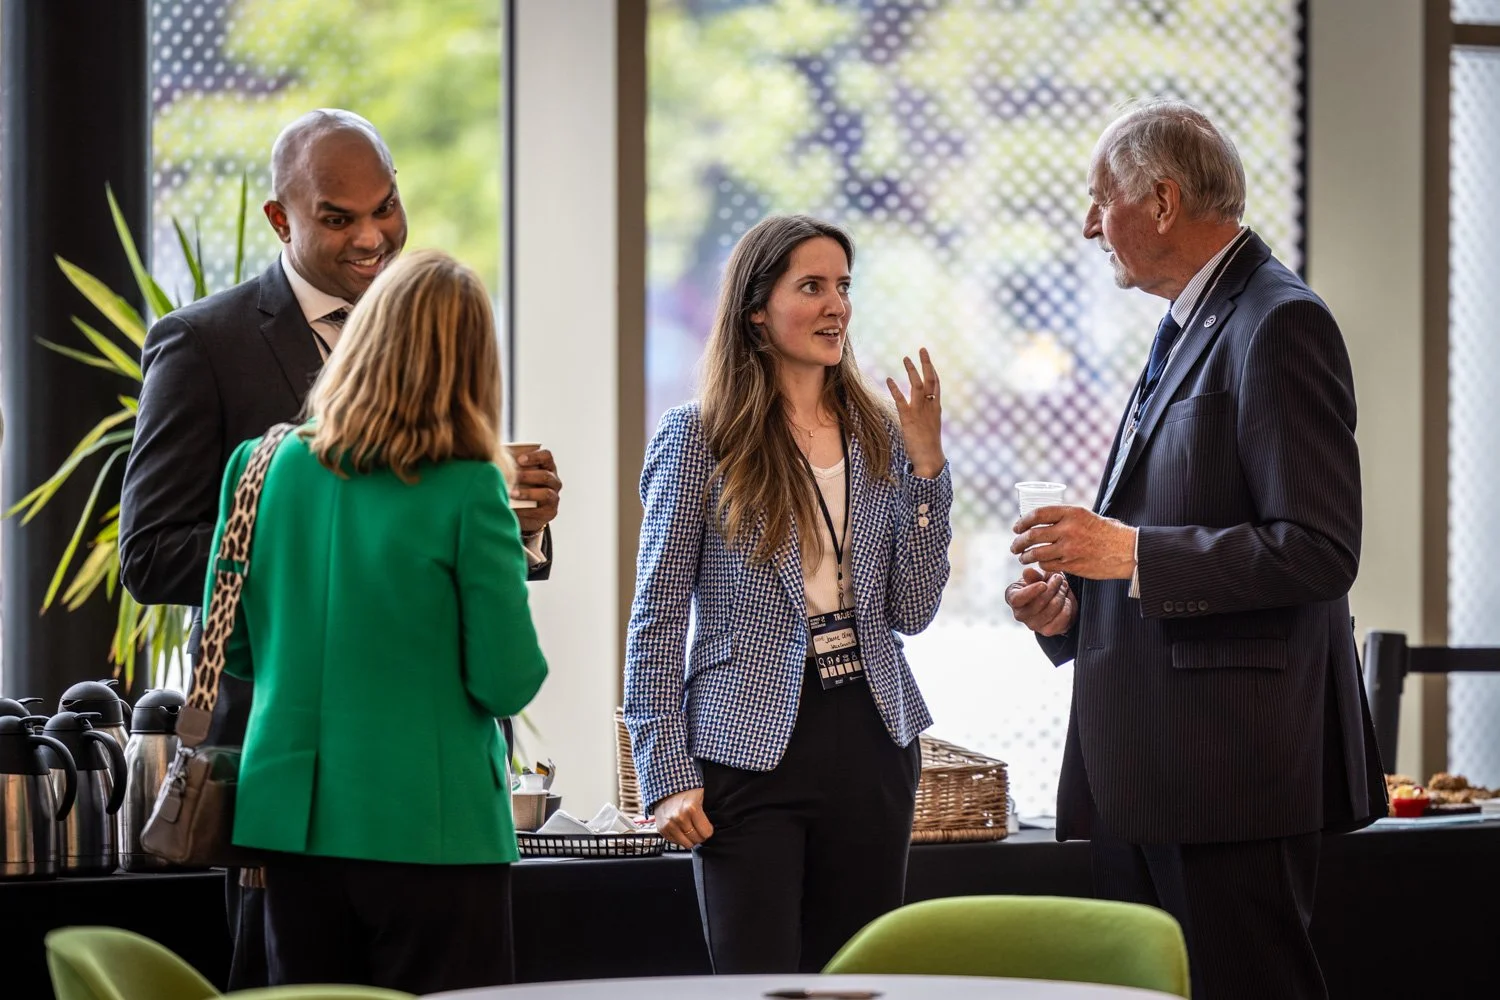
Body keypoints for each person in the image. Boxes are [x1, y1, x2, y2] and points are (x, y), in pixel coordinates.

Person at [119, 109, 562, 989]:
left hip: (294, 818)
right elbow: (149, 552)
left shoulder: (266, 463)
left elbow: (237, 630)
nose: (374, 235)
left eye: (387, 208)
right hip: (411, 817)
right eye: (339, 217)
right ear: (282, 219)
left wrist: (522, 527)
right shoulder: (204, 343)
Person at [1004, 100, 1386, 1000]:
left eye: (1102, 196)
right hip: (1154, 771)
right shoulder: (1194, 318)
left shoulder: (1279, 321)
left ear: (1163, 201)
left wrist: (1130, 552)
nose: (1089, 220)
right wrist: (1074, 601)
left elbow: (1319, 549)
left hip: (1229, 778)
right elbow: (1168, 538)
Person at [205, 248, 548, 993]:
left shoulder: (259, 466)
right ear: (471, 364)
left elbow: (230, 651)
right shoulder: (468, 490)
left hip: (290, 828)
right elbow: (506, 680)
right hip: (433, 831)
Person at [624, 214, 952, 975]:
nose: (836, 304)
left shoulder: (881, 432)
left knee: (857, 985)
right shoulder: (698, 437)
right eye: (812, 287)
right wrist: (665, 772)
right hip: (747, 749)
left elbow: (913, 608)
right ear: (756, 312)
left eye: (843, 286)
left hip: (872, 740)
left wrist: (929, 466)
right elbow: (657, 616)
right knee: (758, 985)